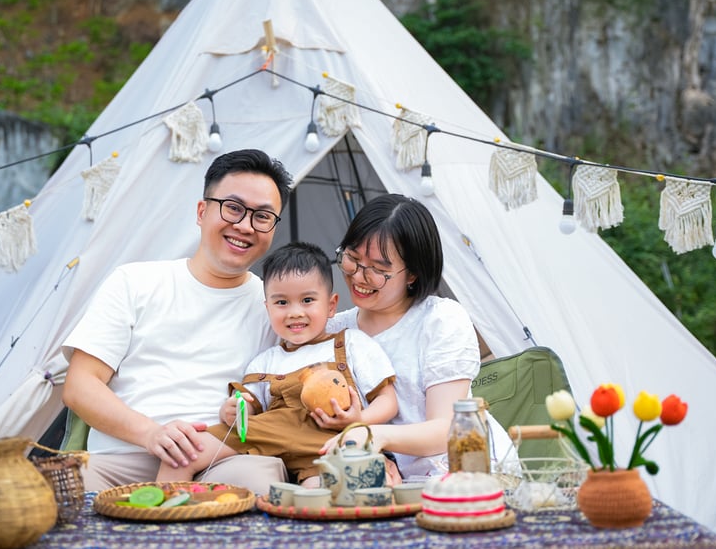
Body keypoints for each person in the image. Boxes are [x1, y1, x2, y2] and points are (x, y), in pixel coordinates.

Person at [61, 148, 293, 492]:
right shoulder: (134, 282)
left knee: (258, 482)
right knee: (62, 489)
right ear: (202, 211)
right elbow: (80, 385)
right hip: (123, 456)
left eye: (262, 216)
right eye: (233, 208)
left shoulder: (277, 308)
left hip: (220, 461)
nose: (245, 226)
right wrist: (152, 434)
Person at [155, 242, 398, 485]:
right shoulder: (265, 360)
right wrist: (233, 409)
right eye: (282, 303)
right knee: (183, 453)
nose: (294, 312)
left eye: (307, 300)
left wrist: (358, 420)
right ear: (268, 308)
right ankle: (163, 505)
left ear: (331, 305)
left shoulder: (352, 343)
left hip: (330, 440)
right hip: (270, 435)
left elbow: (388, 401)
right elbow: (248, 405)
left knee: (323, 494)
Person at [316, 194, 516, 478]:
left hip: (468, 473)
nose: (359, 276)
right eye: (352, 259)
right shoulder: (332, 330)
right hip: (383, 483)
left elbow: (446, 429)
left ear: (412, 274)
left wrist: (372, 434)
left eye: (378, 269)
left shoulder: (440, 320)